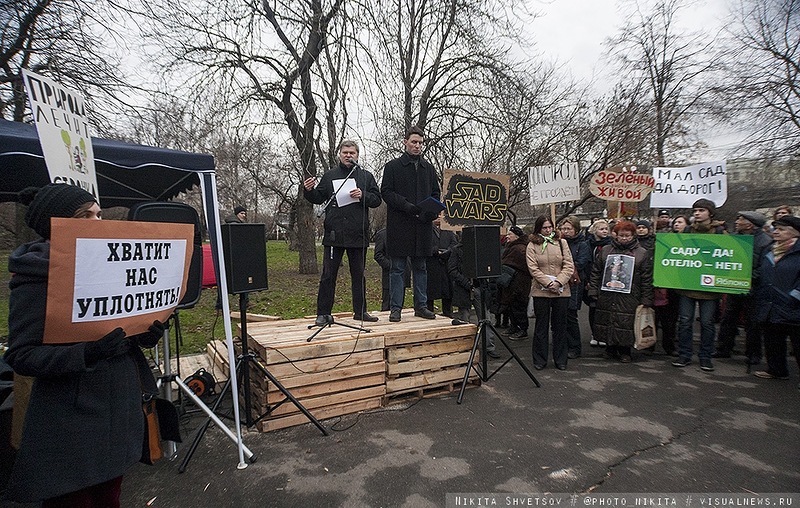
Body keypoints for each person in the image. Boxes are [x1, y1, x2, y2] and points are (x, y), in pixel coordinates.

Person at [4, 183, 165, 507]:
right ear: (56, 223)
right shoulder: (35, 276)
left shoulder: (111, 265)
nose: (97, 221)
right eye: (85, 215)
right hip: (70, 418)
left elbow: (117, 326)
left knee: (110, 496)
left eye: (99, 214)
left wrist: (142, 334)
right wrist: (86, 353)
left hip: (119, 405)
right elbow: (21, 355)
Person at [303, 140, 382, 324]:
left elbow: (377, 199)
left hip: (358, 234)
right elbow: (318, 198)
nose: (348, 155)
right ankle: (323, 313)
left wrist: (363, 195)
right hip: (334, 234)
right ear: (339, 155)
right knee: (328, 276)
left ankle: (360, 312)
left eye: (352, 153)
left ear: (357, 156)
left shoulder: (366, 176)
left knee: (359, 275)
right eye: (345, 152)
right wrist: (308, 190)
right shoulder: (330, 176)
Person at [380, 126, 440, 322]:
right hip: (400, 224)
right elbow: (386, 192)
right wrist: (406, 206)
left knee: (421, 267)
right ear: (405, 142)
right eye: (414, 142)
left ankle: (421, 306)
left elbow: (435, 193)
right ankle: (395, 308)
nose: (417, 146)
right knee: (397, 268)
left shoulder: (428, 168)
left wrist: (430, 212)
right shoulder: (393, 166)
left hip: (422, 225)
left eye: (420, 143)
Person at [587, 220, 654, 363]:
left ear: (633, 236)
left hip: (630, 295)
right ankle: (610, 347)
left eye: (627, 236)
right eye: (621, 235)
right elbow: (596, 271)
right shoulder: (606, 250)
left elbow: (646, 278)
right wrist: (593, 290)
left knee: (625, 322)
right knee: (608, 319)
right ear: (615, 235)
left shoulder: (641, 253)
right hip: (608, 293)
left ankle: (625, 351)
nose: (624, 238)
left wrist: (646, 298)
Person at [672, 198, 726, 372]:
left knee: (707, 324)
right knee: (685, 322)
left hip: (709, 289)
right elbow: (677, 253)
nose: (697, 213)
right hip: (687, 286)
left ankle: (705, 357)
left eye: (701, 210)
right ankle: (684, 355)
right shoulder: (687, 231)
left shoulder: (720, 233)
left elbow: (726, 257)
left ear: (710, 213)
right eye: (695, 210)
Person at [715, 211, 773, 363]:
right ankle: (724, 348)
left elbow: (765, 267)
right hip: (734, 285)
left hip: (754, 289)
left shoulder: (766, 242)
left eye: (740, 220)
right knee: (728, 318)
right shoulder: (734, 238)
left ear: (749, 225)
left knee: (752, 323)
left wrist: (747, 278)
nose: (737, 222)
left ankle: (753, 354)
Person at [752, 215, 800, 382]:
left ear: (794, 233)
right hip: (769, 303)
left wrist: (795, 296)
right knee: (773, 340)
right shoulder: (770, 249)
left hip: (794, 306)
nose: (776, 232)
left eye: (781, 229)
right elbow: (761, 272)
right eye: (775, 229)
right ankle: (776, 370)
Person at [526, 215, 574, 370]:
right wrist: (547, 283)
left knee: (560, 326)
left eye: (550, 227)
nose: (548, 230)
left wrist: (559, 282)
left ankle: (561, 359)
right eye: (544, 227)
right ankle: (540, 359)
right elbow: (533, 268)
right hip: (541, 291)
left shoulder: (561, 242)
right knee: (541, 326)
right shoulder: (532, 245)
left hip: (561, 290)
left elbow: (569, 265)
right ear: (539, 229)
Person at [447, 240, 500, 358]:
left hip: (479, 288)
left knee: (485, 318)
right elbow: (452, 270)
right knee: (464, 319)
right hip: (463, 289)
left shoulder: (480, 248)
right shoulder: (457, 250)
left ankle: (489, 347)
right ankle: (467, 347)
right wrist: (466, 283)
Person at [559, 217, 590, 358]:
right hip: (560, 282)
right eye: (563, 228)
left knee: (570, 315)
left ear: (576, 230)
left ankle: (574, 347)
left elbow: (581, 263)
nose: (565, 231)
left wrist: (564, 268)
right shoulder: (558, 243)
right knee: (560, 314)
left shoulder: (582, 245)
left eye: (569, 229)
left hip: (573, 283)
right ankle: (562, 343)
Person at [498, 226, 532, 340]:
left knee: (519, 306)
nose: (507, 236)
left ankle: (522, 329)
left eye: (510, 234)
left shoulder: (520, 249)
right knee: (512, 306)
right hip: (512, 282)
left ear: (516, 236)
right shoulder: (512, 247)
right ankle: (514, 326)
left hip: (519, 283)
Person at [584, 219, 611, 347]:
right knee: (593, 308)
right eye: (601, 229)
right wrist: (588, 280)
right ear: (594, 231)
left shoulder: (611, 245)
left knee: (605, 309)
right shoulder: (588, 245)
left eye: (606, 229)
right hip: (592, 280)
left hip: (607, 281)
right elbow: (586, 263)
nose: (604, 231)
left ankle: (604, 335)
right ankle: (595, 334)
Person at [426, 212, 458, 317]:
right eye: (437, 214)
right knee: (430, 293)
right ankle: (429, 312)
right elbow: (424, 245)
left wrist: (448, 251)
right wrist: (436, 251)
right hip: (431, 265)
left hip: (446, 264)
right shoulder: (427, 229)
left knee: (447, 292)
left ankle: (448, 312)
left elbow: (454, 243)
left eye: (441, 215)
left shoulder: (448, 230)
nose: (439, 217)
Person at [373, 228, 410, 312]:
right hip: (389, 276)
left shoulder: (406, 233)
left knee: (400, 304)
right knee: (387, 306)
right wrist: (392, 266)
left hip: (404, 274)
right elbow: (378, 255)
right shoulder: (382, 234)